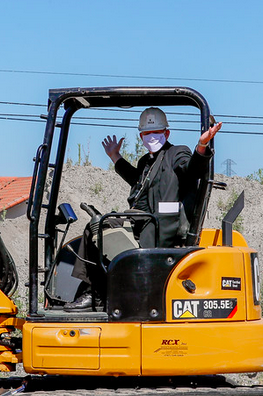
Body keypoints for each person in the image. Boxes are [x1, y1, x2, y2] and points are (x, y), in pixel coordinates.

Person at [65, 107, 222, 312]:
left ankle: (96, 294)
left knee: (100, 225)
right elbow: (138, 182)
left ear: (166, 133)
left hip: (162, 230)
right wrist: (115, 157)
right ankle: (94, 290)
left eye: (156, 132)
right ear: (141, 136)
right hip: (143, 223)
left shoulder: (177, 153)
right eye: (147, 133)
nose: (152, 137)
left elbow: (192, 169)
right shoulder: (146, 162)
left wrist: (201, 146)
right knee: (94, 227)